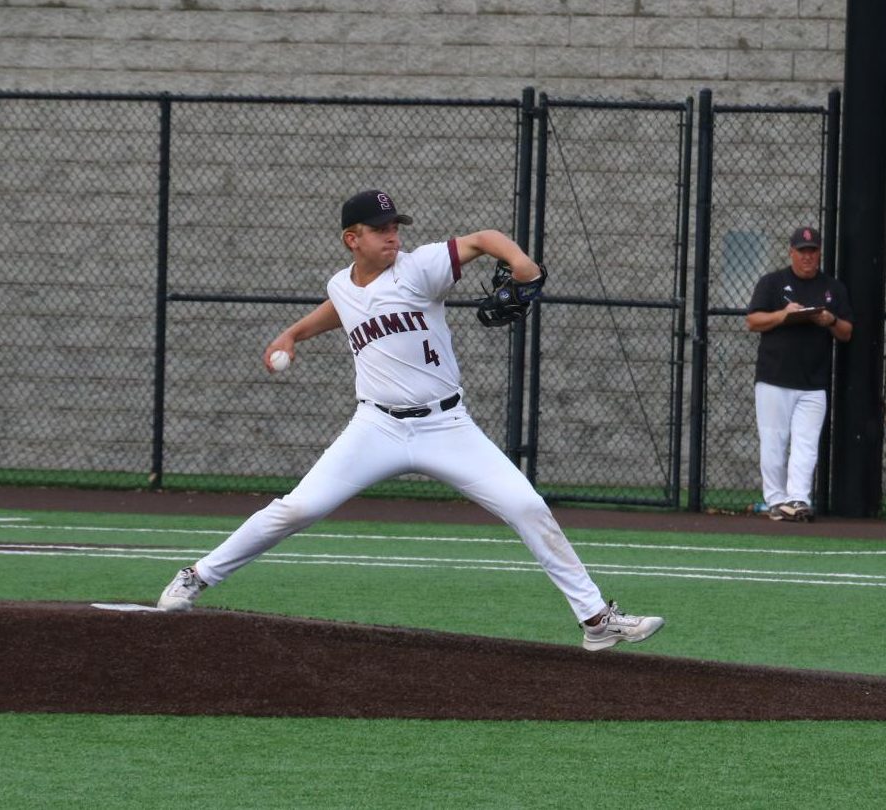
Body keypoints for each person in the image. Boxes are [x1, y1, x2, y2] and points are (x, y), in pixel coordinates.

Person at [156, 189, 664, 651]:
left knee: (527, 505)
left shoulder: (418, 267)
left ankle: (597, 623)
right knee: (297, 510)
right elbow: (343, 307)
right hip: (376, 428)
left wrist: (524, 266)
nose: (393, 235)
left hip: (447, 427)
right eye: (381, 229)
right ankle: (196, 576)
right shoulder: (343, 283)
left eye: (396, 226)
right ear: (351, 240)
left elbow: (485, 239)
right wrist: (292, 335)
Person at [745, 226, 853, 521]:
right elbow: (753, 321)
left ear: (819, 253)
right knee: (774, 441)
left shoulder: (833, 288)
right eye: (802, 251)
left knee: (806, 443)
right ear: (791, 252)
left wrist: (829, 319)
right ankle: (776, 501)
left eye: (813, 251)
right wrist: (784, 314)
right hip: (774, 378)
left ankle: (797, 499)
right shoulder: (772, 283)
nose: (808, 257)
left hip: (814, 382)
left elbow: (846, 332)